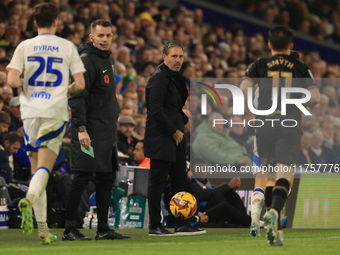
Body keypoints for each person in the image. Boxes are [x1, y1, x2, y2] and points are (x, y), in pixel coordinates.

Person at [6, 3, 85, 244]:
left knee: (35, 169)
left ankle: (42, 231)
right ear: (56, 21)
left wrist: (31, 86)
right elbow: (80, 84)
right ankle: (28, 199)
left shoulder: (24, 45)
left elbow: (11, 80)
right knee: (45, 170)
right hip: (53, 111)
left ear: (34, 22)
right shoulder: (66, 46)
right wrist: (62, 89)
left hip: (29, 113)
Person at [240, 26, 320, 245]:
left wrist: (254, 107)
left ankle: (261, 218)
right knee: (284, 173)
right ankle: (274, 211)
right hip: (289, 125)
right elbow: (316, 98)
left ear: (269, 45)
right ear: (291, 46)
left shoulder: (259, 64)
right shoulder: (301, 67)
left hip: (264, 125)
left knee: (265, 174)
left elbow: (244, 87)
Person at [63, 19, 129, 241]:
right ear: (91, 37)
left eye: (108, 35)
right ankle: (69, 229)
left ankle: (103, 229)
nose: (104, 39)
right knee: (81, 178)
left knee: (107, 178)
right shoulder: (86, 60)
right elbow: (77, 97)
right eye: (100, 36)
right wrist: (81, 128)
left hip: (106, 133)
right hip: (89, 133)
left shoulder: (106, 59)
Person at [145, 40, 205, 236]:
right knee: (158, 182)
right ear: (164, 57)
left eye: (180, 56)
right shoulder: (158, 78)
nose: (178, 60)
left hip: (177, 137)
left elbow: (172, 108)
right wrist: (173, 130)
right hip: (162, 137)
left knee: (181, 181)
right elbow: (155, 109)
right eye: (174, 56)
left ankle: (182, 223)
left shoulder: (177, 78)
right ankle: (155, 225)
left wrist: (183, 120)